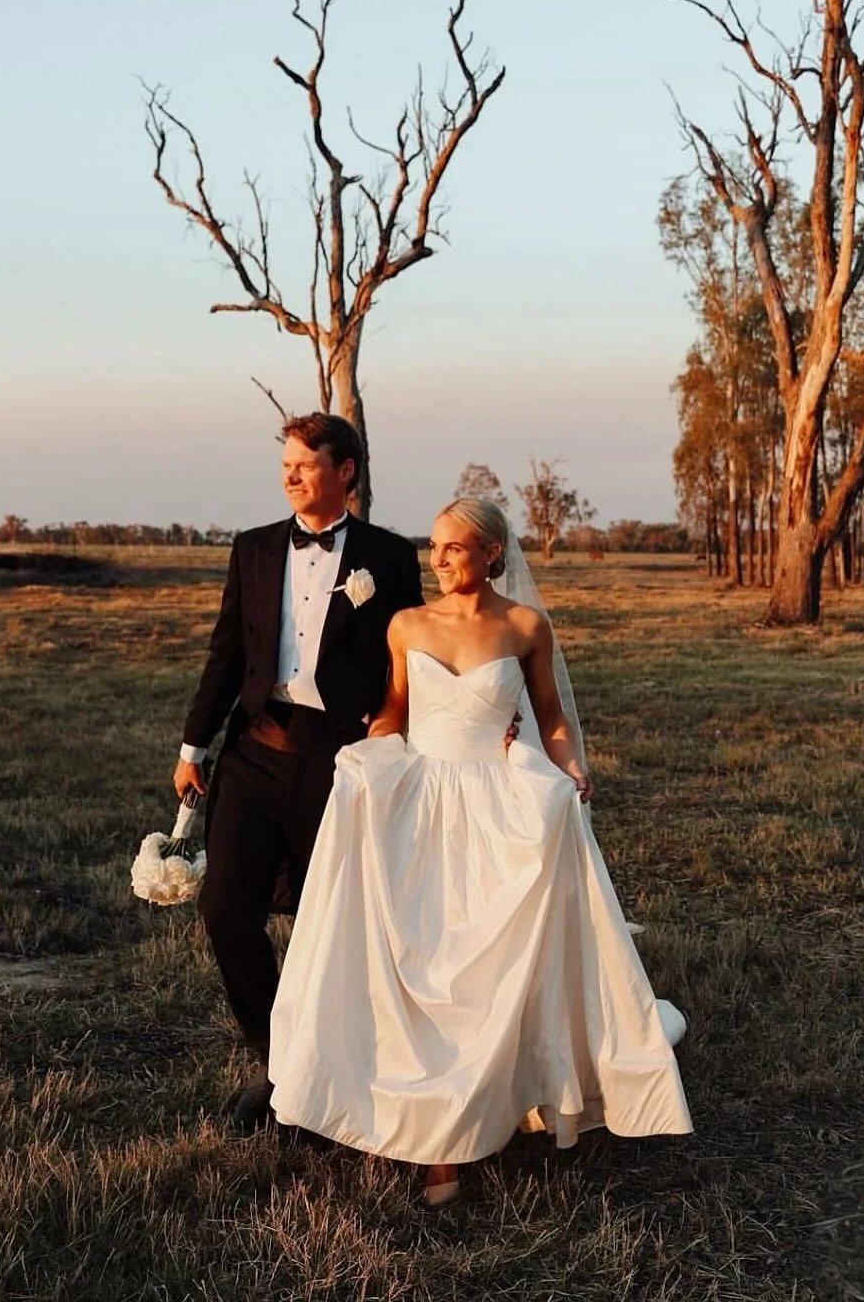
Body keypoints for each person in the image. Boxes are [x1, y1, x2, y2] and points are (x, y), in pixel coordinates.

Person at [267, 497, 692, 1204]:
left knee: (482, 966)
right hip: (422, 800)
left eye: (455, 549)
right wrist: (367, 764)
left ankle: (483, 1106)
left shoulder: (527, 626)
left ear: (494, 552)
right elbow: (397, 712)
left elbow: (551, 721)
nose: (440, 561)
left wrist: (570, 769)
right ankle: (433, 1137)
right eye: (434, 547)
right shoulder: (407, 625)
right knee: (425, 957)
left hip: (494, 800)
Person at [175, 413, 422, 1132]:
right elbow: (226, 651)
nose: (289, 475)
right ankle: (273, 1058)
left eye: (305, 464)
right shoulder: (251, 549)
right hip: (252, 752)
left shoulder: (389, 557)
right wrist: (194, 748)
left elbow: (415, 659)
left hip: (338, 761)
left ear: (346, 471)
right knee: (225, 910)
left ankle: (333, 1072)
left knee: (329, 924)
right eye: (284, 463)